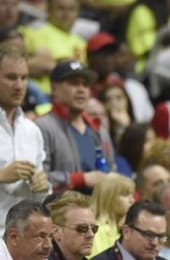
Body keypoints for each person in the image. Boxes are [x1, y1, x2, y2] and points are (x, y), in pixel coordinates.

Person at [36, 60, 114, 194]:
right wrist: (79, 179)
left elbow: (112, 169)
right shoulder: (42, 127)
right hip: (59, 211)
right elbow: (38, 180)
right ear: (54, 88)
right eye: (73, 83)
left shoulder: (99, 129)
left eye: (85, 84)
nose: (81, 89)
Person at [0, 45, 49, 236]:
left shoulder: (32, 130)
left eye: (24, 78)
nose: (19, 86)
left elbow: (41, 194)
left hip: (26, 236)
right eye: (11, 77)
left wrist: (43, 186)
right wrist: (2, 175)